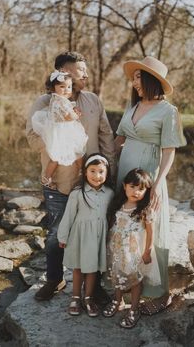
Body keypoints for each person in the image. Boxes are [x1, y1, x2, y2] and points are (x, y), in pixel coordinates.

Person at [26, 51, 116, 301]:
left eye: (85, 70)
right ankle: (55, 279)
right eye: (80, 70)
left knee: (94, 232)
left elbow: (106, 136)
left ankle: (93, 285)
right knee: (55, 233)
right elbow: (32, 140)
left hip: (93, 183)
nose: (85, 74)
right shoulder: (44, 103)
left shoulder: (93, 101)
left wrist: (110, 170)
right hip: (58, 182)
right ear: (63, 71)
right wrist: (58, 132)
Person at [115, 56, 186, 315]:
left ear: (150, 79)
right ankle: (124, 284)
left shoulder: (168, 111)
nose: (134, 83)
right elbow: (118, 140)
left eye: (137, 78)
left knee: (149, 230)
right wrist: (95, 161)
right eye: (133, 78)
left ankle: (159, 293)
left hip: (149, 177)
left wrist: (157, 184)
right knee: (127, 231)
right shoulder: (132, 108)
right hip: (124, 174)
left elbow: (169, 151)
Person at [57, 153, 114, 317]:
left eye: (101, 171)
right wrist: (63, 237)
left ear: (107, 173)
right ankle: (75, 297)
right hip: (80, 236)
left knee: (93, 269)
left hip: (98, 237)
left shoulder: (109, 193)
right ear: (85, 172)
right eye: (93, 171)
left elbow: (110, 218)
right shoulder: (77, 193)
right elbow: (68, 216)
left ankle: (88, 298)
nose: (97, 176)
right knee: (78, 267)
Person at [103, 168, 160, 328]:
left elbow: (150, 232)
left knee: (135, 280)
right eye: (132, 187)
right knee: (116, 276)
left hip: (133, 253)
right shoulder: (118, 204)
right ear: (124, 186)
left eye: (141, 189)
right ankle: (117, 300)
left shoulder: (145, 209)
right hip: (115, 250)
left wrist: (147, 251)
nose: (136, 192)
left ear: (146, 190)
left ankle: (134, 308)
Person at [31, 70, 88, 186]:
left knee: (66, 155)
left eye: (69, 87)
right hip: (61, 133)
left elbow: (67, 113)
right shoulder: (58, 101)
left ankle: (48, 177)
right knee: (68, 154)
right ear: (53, 88)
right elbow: (66, 117)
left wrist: (73, 112)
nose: (66, 90)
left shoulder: (61, 100)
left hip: (63, 132)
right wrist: (76, 115)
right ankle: (48, 177)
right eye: (62, 86)